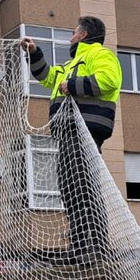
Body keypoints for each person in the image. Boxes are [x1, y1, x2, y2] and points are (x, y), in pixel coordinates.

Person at [21, 16, 122, 263]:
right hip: (68, 131)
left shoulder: (100, 55)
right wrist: (34, 52)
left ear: (84, 35)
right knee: (72, 189)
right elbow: (47, 77)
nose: (71, 37)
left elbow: (110, 80)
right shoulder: (71, 64)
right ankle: (80, 248)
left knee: (83, 188)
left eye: (74, 32)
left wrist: (73, 85)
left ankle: (94, 249)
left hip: (84, 130)